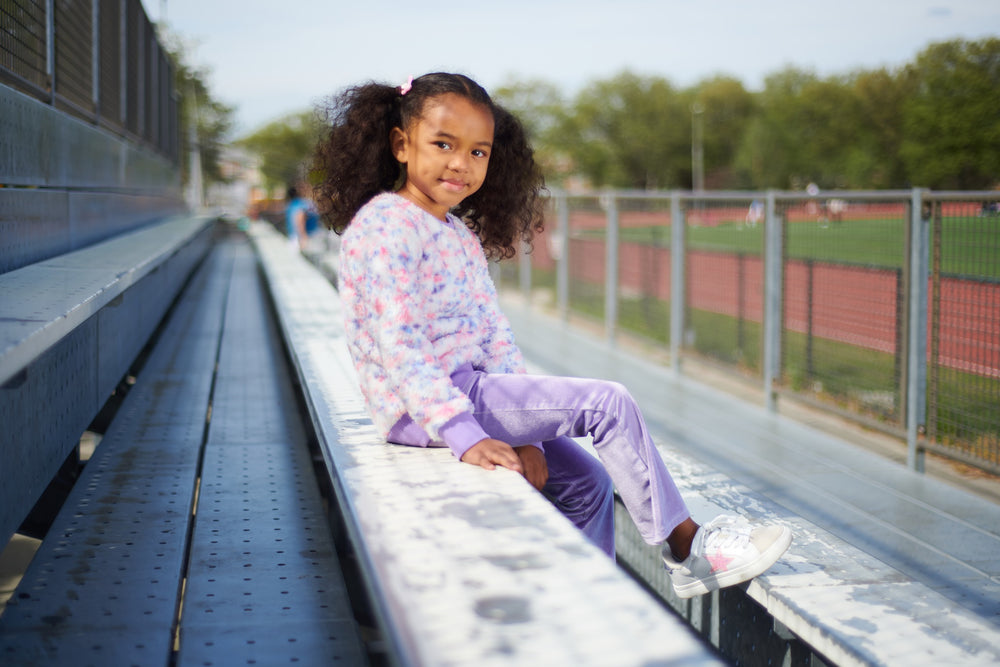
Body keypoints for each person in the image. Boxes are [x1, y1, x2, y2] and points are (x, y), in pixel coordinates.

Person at [313, 72, 791, 599]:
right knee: (607, 403)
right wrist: (462, 433)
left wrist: (531, 435)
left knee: (587, 482)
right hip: (431, 407)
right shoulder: (384, 225)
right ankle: (688, 547)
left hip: (472, 393)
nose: (460, 163)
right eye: (443, 144)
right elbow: (398, 343)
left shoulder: (457, 233)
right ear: (402, 145)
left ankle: (587, 601)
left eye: (478, 152)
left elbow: (494, 335)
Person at [285, 184, 319, 251]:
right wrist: (303, 237)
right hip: (303, 239)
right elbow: (300, 218)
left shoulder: (290, 205)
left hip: (293, 238)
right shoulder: (301, 203)